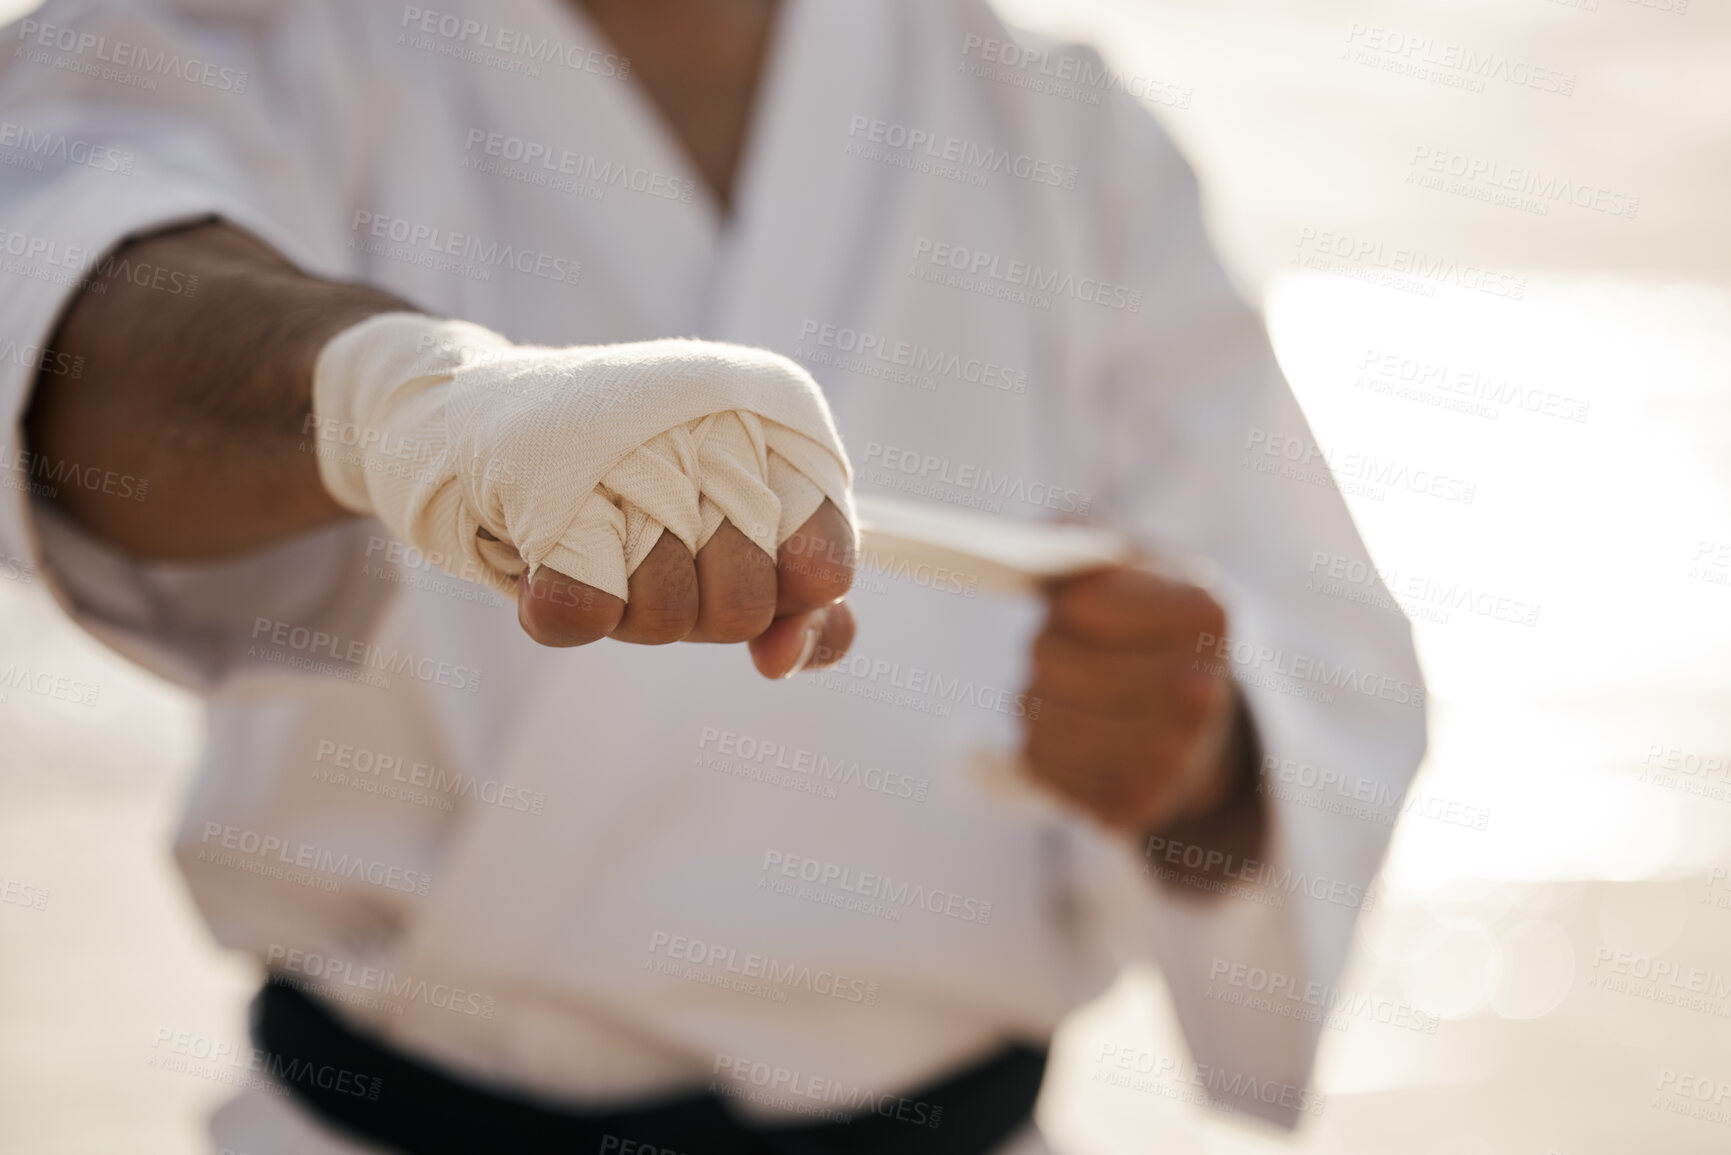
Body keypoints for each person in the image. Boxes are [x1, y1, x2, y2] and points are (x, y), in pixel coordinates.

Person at [0, 0, 1426, 1151]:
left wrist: (1199, 764)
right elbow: (47, 278)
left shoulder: (1061, 132)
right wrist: (393, 402)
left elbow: (1305, 643)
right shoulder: (250, 36)